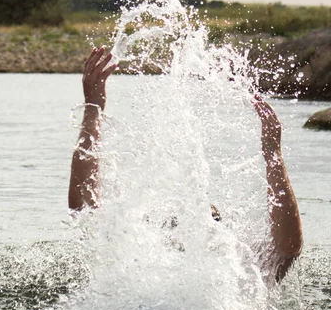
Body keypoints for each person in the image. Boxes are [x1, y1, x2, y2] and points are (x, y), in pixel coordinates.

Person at [69, 47, 303, 283]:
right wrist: (92, 109)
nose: (180, 231)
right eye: (173, 225)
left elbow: (287, 249)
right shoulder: (136, 270)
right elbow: (84, 209)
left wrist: (273, 156)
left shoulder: (236, 268)